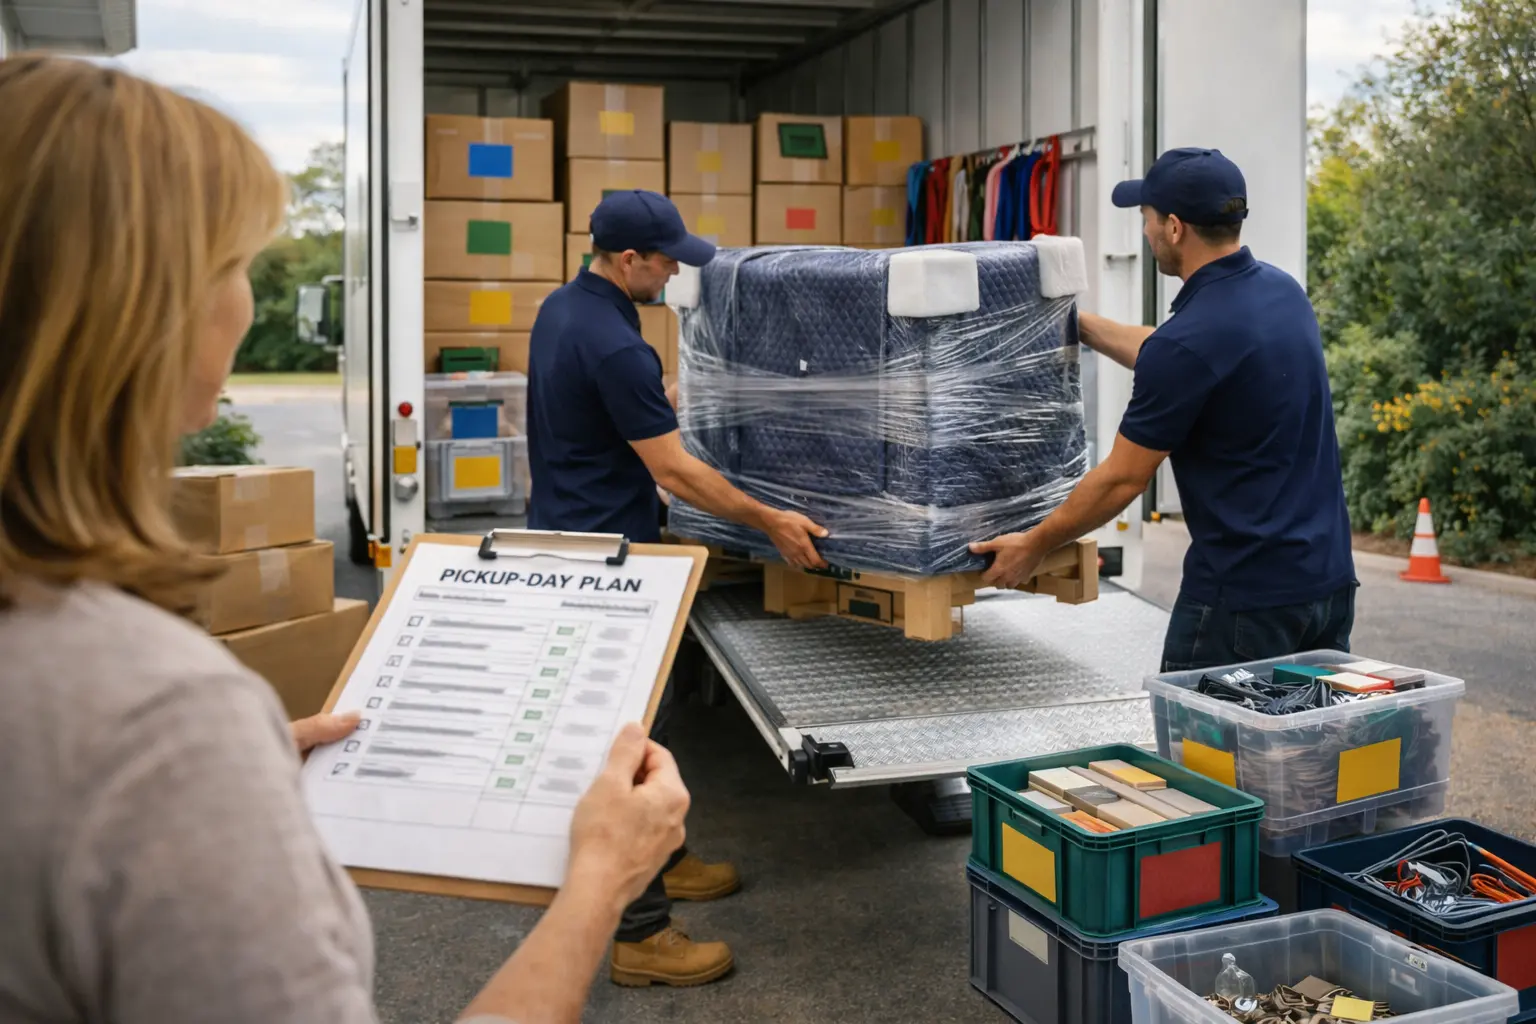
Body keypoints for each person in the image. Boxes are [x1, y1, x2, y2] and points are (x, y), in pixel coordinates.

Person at [0, 54, 690, 1024]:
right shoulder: (152, 716)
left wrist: (221, 776)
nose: (248, 302)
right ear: (138, 311)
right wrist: (597, 885)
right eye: (235, 265)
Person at [524, 189, 827, 987]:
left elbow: (611, 418)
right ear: (629, 260)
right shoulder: (615, 340)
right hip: (606, 560)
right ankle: (639, 933)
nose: (673, 273)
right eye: (666, 261)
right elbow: (673, 470)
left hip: (569, 534)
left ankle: (666, 852)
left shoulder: (565, 310)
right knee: (621, 741)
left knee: (646, 721)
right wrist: (769, 519)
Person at [971, 148, 1356, 671]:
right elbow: (1178, 356)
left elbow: (1121, 480)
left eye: (1147, 218)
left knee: (1202, 751)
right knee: (1303, 750)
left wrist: (1034, 543)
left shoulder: (1189, 344)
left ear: (1174, 228)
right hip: (1327, 588)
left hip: (1244, 605)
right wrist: (1076, 325)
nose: (1146, 231)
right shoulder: (1280, 293)